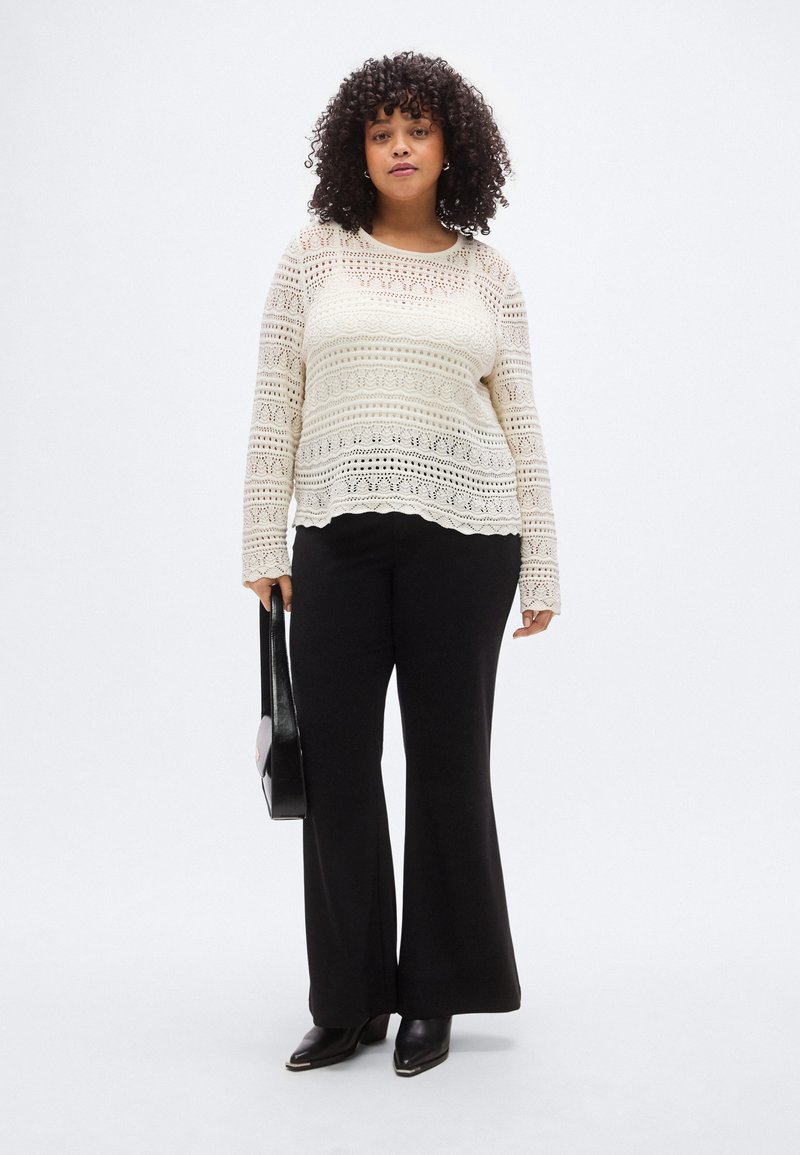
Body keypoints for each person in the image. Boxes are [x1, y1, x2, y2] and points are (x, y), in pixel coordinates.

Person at [241, 50, 562, 1077]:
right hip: (335, 536)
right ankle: (347, 1001)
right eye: (381, 132)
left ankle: (435, 992)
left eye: (417, 129)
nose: (399, 147)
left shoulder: (487, 275)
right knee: (336, 766)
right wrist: (262, 539)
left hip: (468, 538)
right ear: (357, 150)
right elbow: (275, 400)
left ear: (451, 146)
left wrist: (544, 564)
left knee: (448, 762)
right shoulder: (312, 258)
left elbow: (521, 421)